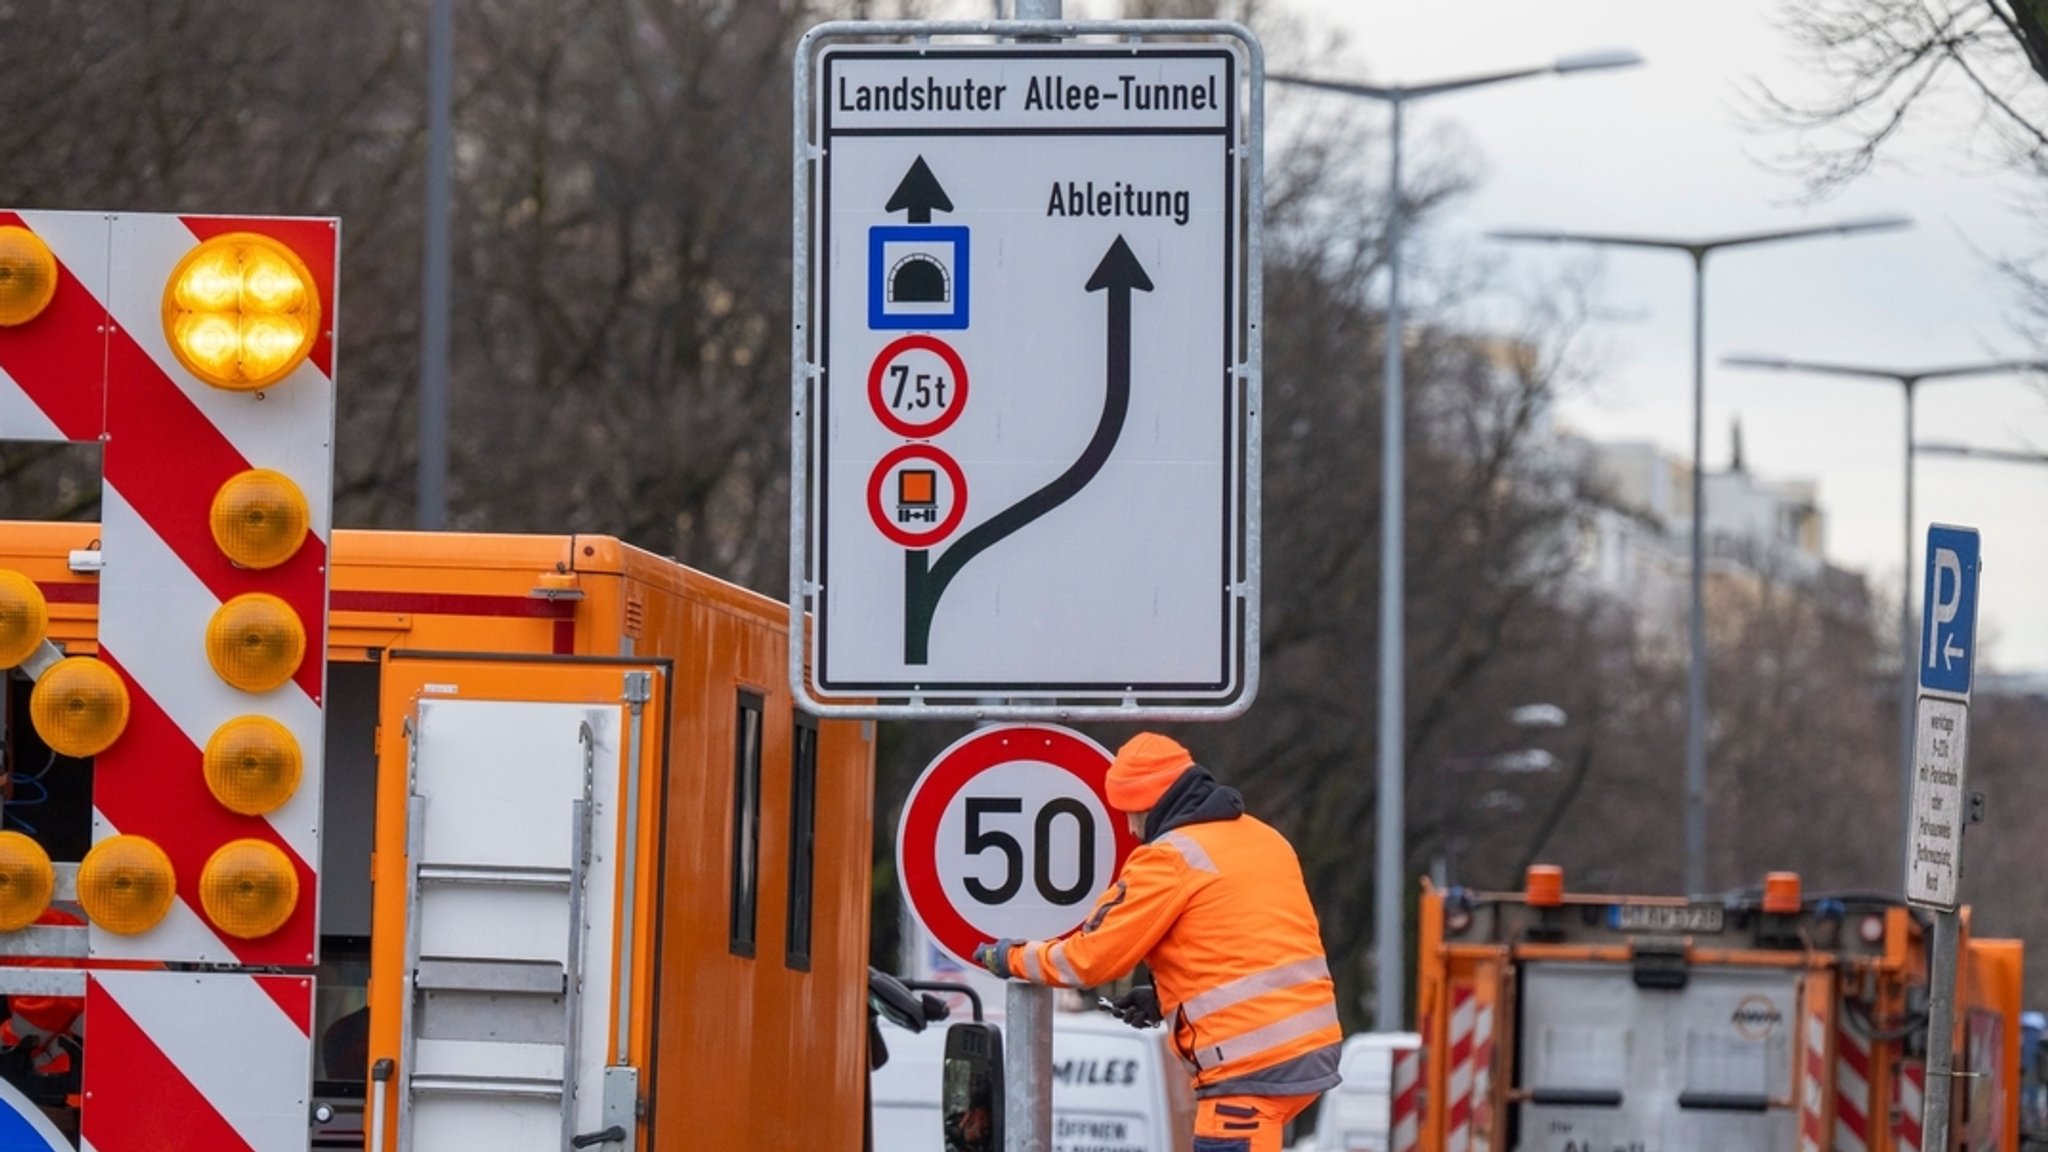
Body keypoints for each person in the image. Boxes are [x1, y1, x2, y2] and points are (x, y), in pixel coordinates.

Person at [973, 732, 1341, 1152]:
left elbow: (1088, 961)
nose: (1130, 829)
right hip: (1308, 1050)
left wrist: (1011, 957)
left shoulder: (1168, 858)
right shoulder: (1263, 838)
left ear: (1149, 803)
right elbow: (1246, 946)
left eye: (1130, 813)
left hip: (1247, 1071)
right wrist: (1168, 996)